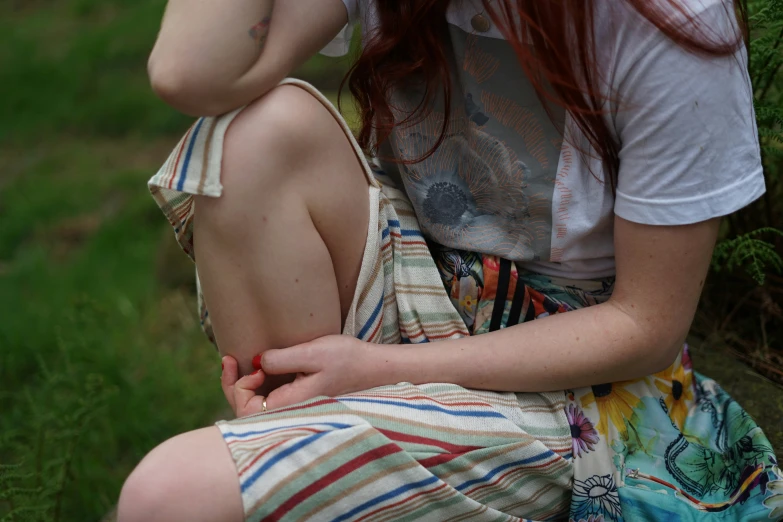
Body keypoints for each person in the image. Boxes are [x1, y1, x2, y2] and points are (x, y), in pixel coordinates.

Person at [117, 0, 783, 520]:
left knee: (169, 497)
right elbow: (191, 72)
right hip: (426, 282)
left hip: (578, 378)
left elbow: (645, 325)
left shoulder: (664, 22)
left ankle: (301, 461)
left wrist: (382, 372)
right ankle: (292, 431)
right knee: (256, 137)